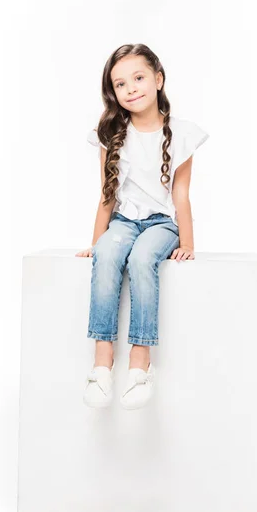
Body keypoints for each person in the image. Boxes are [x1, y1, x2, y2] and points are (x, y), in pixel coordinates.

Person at [75, 43, 209, 410]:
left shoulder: (181, 134)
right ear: (113, 93)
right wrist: (95, 242)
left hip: (162, 224)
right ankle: (102, 366)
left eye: (138, 78)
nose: (131, 88)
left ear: (158, 79)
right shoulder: (110, 133)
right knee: (107, 255)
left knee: (141, 260)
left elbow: (181, 193)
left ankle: (140, 366)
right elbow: (106, 195)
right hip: (123, 220)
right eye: (120, 84)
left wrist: (189, 242)